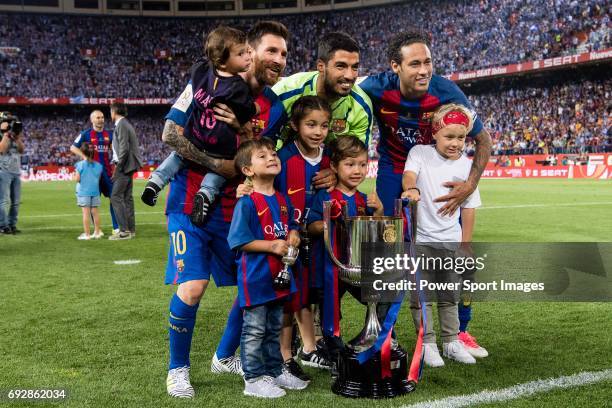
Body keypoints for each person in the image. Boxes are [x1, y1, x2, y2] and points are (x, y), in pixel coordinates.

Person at [161, 21, 296, 398]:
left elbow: (257, 156)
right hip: (189, 205)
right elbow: (170, 135)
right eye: (271, 51)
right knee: (193, 286)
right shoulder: (203, 84)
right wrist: (217, 165)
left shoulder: (274, 107)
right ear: (248, 53)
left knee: (254, 286)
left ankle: (224, 355)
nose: (279, 60)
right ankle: (177, 370)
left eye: (284, 54)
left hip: (238, 211)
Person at [357, 30, 492, 217]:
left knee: (443, 231)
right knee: (387, 227)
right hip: (393, 167)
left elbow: (484, 139)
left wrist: (470, 185)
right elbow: (339, 85)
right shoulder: (375, 87)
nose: (424, 71)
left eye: (427, 62)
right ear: (396, 66)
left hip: (434, 167)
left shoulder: (448, 92)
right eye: (415, 64)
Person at [142, 26, 257, 227]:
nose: (248, 56)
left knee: (179, 156)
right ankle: (205, 194)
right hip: (219, 144)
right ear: (223, 60)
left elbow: (201, 63)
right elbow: (247, 111)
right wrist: (253, 109)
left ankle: (156, 181)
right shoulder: (239, 87)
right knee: (220, 171)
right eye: (241, 53)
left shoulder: (201, 71)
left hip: (195, 134)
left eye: (248, 51)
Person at [401, 103, 485, 366]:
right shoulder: (420, 152)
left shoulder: (466, 165)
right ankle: (427, 343)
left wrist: (466, 244)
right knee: (421, 297)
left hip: (450, 242)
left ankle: (451, 341)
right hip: (421, 241)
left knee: (449, 296)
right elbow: (408, 174)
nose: (456, 143)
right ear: (435, 133)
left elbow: (469, 206)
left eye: (461, 138)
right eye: (449, 136)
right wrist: (411, 188)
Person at [228, 138, 308, 398]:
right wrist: (272, 246)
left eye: (273, 153)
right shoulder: (247, 202)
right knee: (254, 330)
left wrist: (293, 235)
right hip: (256, 278)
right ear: (248, 170)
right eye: (262, 156)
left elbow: (288, 228)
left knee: (275, 327)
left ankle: (275, 371)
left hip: (279, 278)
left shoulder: (282, 199)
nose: (272, 157)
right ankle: (253, 379)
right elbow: (239, 240)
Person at [307, 135, 383, 368]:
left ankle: (373, 334)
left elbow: (376, 230)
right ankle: (331, 345)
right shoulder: (325, 196)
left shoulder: (364, 199)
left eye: (362, 164)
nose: (357, 170)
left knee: (379, 297)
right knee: (329, 306)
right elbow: (311, 226)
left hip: (356, 267)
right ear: (334, 166)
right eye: (350, 164)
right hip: (328, 266)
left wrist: (378, 211)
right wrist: (330, 221)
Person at [275, 96, 333, 378]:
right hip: (290, 239)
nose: (317, 131)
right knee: (289, 296)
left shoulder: (330, 160)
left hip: (319, 242)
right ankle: (284, 354)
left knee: (308, 294)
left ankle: (309, 348)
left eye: (323, 125)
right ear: (296, 125)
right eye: (310, 124)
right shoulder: (284, 158)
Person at [272, 32, 374, 146]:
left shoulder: (361, 107)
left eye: (355, 67)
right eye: (341, 66)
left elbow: (354, 159)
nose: (350, 76)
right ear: (321, 66)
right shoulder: (284, 93)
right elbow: (264, 145)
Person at [71, 110, 118, 236]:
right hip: (91, 175)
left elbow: (115, 151)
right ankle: (98, 230)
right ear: (92, 120)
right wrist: (84, 157)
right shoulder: (85, 134)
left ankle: (116, 227)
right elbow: (73, 147)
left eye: (102, 117)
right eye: (98, 117)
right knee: (92, 204)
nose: (101, 119)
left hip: (107, 173)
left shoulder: (110, 134)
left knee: (114, 198)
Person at [109, 102, 143, 240]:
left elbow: (124, 148)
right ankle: (131, 229)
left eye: (111, 111)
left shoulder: (121, 125)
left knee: (115, 196)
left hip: (124, 166)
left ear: (115, 111)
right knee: (127, 198)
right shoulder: (126, 124)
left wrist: (118, 168)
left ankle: (124, 231)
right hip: (129, 166)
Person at [0, 112, 24, 235]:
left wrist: (17, 137)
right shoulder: (3, 135)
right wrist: (6, 135)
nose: (11, 124)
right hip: (3, 171)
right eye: (8, 121)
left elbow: (21, 150)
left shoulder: (15, 135)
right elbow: (2, 150)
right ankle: (3, 226)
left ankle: (12, 224)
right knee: (3, 201)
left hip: (16, 171)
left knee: (15, 202)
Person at [74, 142, 103, 240]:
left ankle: (87, 235)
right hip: (95, 191)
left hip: (83, 192)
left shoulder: (79, 165)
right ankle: (97, 232)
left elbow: (77, 179)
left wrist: (73, 176)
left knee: (86, 213)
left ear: (82, 152)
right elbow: (98, 179)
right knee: (95, 212)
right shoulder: (99, 166)